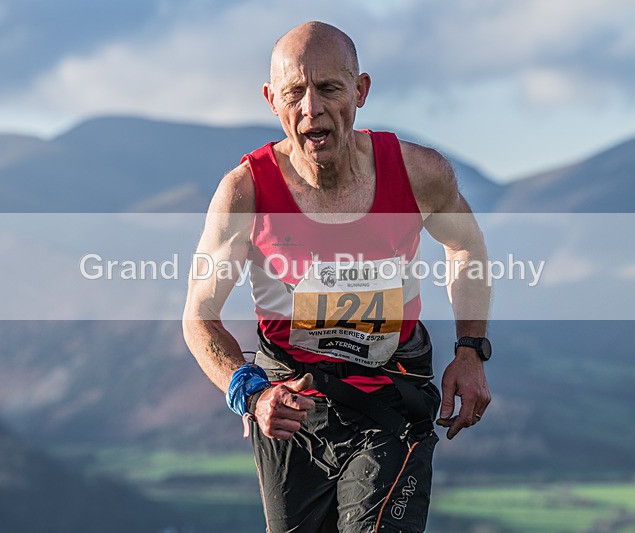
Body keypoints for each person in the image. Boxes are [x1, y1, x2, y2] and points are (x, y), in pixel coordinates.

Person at [183, 21, 492, 532]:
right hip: (292, 407)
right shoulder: (246, 192)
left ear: (360, 91)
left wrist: (470, 350)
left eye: (328, 88)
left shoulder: (418, 174)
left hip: (391, 397)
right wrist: (252, 393)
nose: (311, 109)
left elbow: (467, 246)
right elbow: (199, 318)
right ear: (271, 100)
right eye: (294, 93)